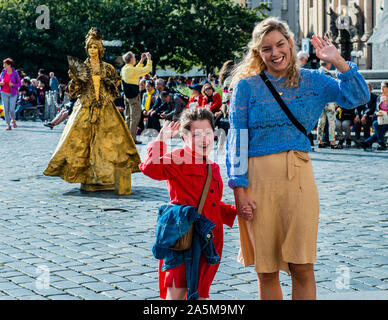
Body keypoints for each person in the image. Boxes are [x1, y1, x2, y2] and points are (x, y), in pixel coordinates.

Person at [226, 17, 369, 300]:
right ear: (258, 52)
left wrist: (338, 61)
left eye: (280, 44)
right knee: (266, 270)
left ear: (290, 44)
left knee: (302, 265)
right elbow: (237, 140)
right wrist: (239, 192)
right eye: (266, 48)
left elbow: (357, 97)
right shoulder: (246, 87)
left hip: (298, 179)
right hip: (257, 182)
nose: (275, 52)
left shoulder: (313, 81)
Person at [139, 108, 241, 300]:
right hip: (183, 238)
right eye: (197, 135)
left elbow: (212, 204)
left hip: (208, 240)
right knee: (176, 293)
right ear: (184, 137)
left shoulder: (213, 166)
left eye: (208, 133)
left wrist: (237, 211)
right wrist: (161, 140)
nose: (205, 139)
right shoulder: (177, 158)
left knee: (201, 294)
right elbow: (149, 168)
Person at [44, 27, 141, 194]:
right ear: (87, 49)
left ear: (100, 49)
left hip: (105, 108)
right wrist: (75, 80)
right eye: (90, 47)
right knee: (80, 141)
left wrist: (107, 82)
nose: (93, 50)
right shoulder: (81, 67)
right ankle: (87, 175)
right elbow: (74, 92)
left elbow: (116, 89)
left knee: (109, 143)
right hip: (86, 106)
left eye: (95, 47)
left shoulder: (108, 68)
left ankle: (107, 177)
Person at [121, 50, 152, 144]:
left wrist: (142, 60)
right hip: (134, 96)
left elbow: (136, 70)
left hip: (126, 96)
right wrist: (149, 59)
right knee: (135, 117)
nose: (135, 59)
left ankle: (127, 137)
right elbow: (147, 69)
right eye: (134, 58)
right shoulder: (132, 70)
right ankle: (132, 138)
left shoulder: (125, 68)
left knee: (128, 117)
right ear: (131, 60)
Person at [316, 61, 341, 149]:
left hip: (319, 101)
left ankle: (319, 141)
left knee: (321, 121)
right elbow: (334, 88)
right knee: (331, 122)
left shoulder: (316, 73)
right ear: (328, 64)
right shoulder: (328, 74)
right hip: (329, 101)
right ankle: (332, 142)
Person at [361, 81, 388, 151]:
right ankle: (381, 144)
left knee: (381, 128)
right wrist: (377, 113)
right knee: (375, 123)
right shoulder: (379, 98)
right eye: (381, 86)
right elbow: (376, 109)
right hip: (380, 118)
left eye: (383, 86)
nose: (381, 88)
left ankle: (368, 142)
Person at [0, 58, 21, 130]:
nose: (3, 66)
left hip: (13, 93)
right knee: (5, 110)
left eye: (5, 64)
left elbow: (19, 84)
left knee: (12, 109)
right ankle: (8, 125)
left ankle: (13, 119)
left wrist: (13, 85)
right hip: (4, 92)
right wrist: (1, 83)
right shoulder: (3, 73)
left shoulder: (15, 73)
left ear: (9, 65)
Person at [354, 82, 378, 146]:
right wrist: (357, 115)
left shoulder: (375, 97)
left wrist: (365, 115)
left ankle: (366, 140)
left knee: (365, 121)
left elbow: (372, 108)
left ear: (371, 89)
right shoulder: (361, 97)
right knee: (357, 121)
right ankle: (357, 140)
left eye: (367, 88)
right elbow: (357, 107)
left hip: (371, 116)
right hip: (362, 115)